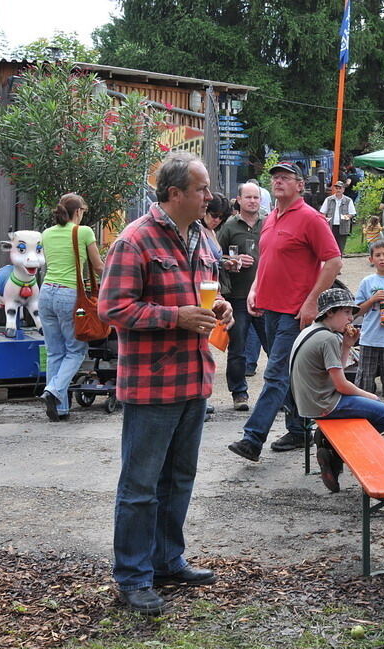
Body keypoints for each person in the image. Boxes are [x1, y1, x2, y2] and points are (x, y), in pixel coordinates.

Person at [97, 152, 233, 615]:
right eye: (201, 189)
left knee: (179, 480)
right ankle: (132, 578)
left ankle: (167, 560)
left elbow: (209, 293)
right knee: (140, 486)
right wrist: (175, 317)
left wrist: (222, 310)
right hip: (152, 387)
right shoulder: (134, 241)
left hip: (195, 380)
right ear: (174, 194)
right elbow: (112, 310)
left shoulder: (201, 238)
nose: (209, 196)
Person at [227, 162, 343, 462]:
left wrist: (311, 301)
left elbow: (333, 262)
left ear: (300, 184)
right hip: (267, 309)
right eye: (275, 178)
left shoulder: (310, 219)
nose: (278, 182)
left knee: (275, 374)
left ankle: (253, 438)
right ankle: (299, 429)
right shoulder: (271, 218)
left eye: (285, 178)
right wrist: (254, 291)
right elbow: (265, 259)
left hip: (294, 312)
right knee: (289, 374)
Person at [291, 288, 384, 493]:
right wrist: (372, 396)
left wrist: (347, 346)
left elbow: (336, 371)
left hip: (309, 400)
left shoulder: (312, 330)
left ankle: (331, 448)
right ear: (330, 312)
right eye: (347, 313)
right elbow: (341, 385)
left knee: (368, 410)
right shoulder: (328, 339)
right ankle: (336, 452)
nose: (351, 318)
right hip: (324, 403)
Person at [38, 193, 104, 422]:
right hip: (69, 296)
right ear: (78, 212)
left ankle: (61, 408)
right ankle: (54, 390)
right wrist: (115, 277)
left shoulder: (46, 234)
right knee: (76, 350)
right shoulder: (83, 232)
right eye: (83, 212)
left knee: (55, 351)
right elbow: (97, 267)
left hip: (45, 293)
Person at [217, 183, 265, 411]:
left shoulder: (268, 224)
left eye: (256, 197)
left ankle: (282, 394)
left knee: (276, 347)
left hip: (267, 296)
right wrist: (233, 260)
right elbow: (216, 255)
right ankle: (239, 394)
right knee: (237, 347)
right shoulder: (229, 226)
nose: (253, 201)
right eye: (248, 197)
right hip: (237, 296)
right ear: (239, 200)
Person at [354, 239, 384, 418]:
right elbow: (357, 312)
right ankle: (363, 415)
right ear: (371, 259)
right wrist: (372, 300)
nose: (382, 259)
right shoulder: (368, 282)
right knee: (364, 379)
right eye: (378, 255)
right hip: (370, 338)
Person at [319, 180, 357, 253]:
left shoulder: (348, 200)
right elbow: (322, 212)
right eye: (337, 188)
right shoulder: (328, 199)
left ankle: (339, 262)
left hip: (343, 227)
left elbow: (352, 213)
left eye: (340, 188)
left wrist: (347, 217)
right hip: (330, 226)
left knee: (340, 248)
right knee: (330, 247)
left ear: (343, 189)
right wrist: (325, 219)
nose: (338, 190)